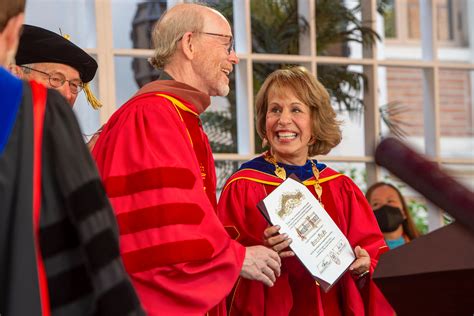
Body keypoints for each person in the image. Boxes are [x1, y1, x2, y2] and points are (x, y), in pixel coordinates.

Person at [91, 3, 281, 315]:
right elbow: (161, 232)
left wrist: (240, 247)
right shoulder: (151, 117)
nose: (234, 57)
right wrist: (235, 258)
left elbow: (186, 217)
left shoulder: (179, 116)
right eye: (226, 44)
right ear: (189, 44)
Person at [0, 2, 144, 315]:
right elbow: (95, 247)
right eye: (54, 79)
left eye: (75, 85)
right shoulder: (38, 111)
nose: (67, 94)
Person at [217, 67, 394, 315]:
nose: (283, 120)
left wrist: (365, 266)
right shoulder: (243, 186)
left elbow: (376, 257)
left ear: (314, 123)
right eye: (275, 109)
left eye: (296, 109)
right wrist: (263, 249)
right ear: (264, 121)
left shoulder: (341, 188)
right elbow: (220, 266)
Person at [366, 182, 420, 249]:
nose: (384, 206)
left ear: (404, 212)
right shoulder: (364, 254)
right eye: (376, 204)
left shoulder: (424, 245)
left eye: (390, 201)